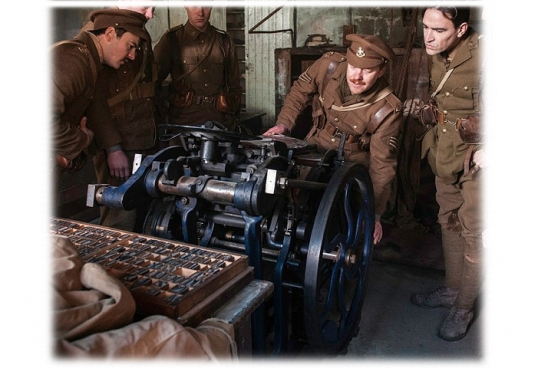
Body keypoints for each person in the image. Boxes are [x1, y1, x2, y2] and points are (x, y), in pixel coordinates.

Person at [264, 34, 403, 245]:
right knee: (287, 197)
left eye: (368, 70)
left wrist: (373, 214)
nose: (357, 76)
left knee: (344, 225)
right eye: (354, 66)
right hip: (316, 144)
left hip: (354, 162)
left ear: (382, 71)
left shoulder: (387, 108)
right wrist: (284, 124)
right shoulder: (328, 66)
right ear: (347, 60)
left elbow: (382, 166)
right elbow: (299, 92)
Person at [407, 6, 483, 341]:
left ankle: (464, 307)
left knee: (475, 232)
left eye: (438, 30)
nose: (429, 36)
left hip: (478, 157)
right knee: (448, 218)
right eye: (426, 27)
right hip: (445, 150)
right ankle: (452, 290)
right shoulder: (437, 54)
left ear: (462, 29)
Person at [51, 8, 150, 211]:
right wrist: (82, 138)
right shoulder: (74, 60)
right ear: (110, 34)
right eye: (130, 46)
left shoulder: (90, 62)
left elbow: (96, 106)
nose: (132, 56)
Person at [80, 4, 158, 232]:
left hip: (144, 137)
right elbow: (95, 101)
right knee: (120, 216)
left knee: (146, 214)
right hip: (120, 145)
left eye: (154, 8)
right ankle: (115, 265)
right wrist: (112, 148)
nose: (150, 14)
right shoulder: (97, 34)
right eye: (146, 6)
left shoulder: (137, 30)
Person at [154, 6, 242, 131]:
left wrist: (232, 119)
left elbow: (234, 86)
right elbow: (154, 82)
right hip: (183, 121)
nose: (200, 12)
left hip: (219, 121)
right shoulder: (172, 39)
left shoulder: (224, 41)